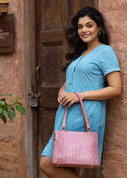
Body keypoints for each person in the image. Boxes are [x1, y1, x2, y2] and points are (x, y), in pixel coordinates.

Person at [40, 7, 122, 178]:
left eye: (89, 25)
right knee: (68, 165)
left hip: (84, 115)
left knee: (46, 164)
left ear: (99, 28)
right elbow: (72, 80)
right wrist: (62, 91)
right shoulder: (81, 54)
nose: (84, 30)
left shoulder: (105, 52)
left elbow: (116, 88)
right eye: (80, 26)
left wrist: (79, 96)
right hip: (66, 114)